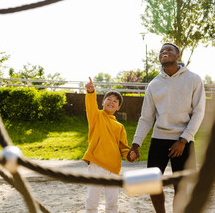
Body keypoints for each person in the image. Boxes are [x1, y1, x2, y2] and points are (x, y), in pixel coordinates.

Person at [127, 43, 206, 213]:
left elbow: (198, 113)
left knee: (181, 187)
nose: (164, 52)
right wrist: (136, 144)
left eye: (169, 50)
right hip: (159, 140)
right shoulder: (154, 85)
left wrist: (183, 140)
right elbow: (146, 118)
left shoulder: (193, 79)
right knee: (152, 183)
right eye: (162, 51)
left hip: (183, 141)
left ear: (178, 55)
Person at [83, 77, 135, 213]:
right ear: (103, 102)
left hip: (114, 168)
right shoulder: (96, 116)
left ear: (118, 107)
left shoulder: (120, 127)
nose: (111, 102)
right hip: (96, 164)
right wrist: (90, 92)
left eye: (115, 101)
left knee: (112, 202)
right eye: (109, 100)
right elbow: (90, 105)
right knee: (92, 199)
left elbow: (123, 147)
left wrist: (130, 155)